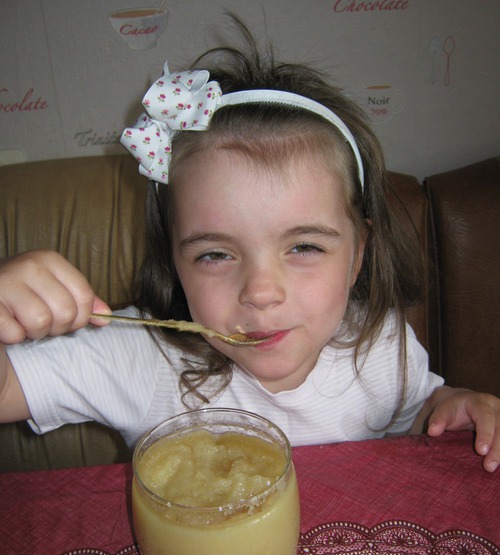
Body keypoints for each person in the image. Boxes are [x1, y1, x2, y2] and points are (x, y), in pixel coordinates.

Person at [0, 19, 498, 471]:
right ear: (175, 263)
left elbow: (417, 416)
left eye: (304, 247)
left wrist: (448, 409)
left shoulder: (383, 346)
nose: (261, 292)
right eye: (215, 255)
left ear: (357, 255)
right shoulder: (140, 357)